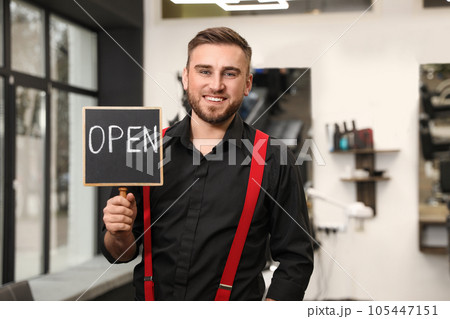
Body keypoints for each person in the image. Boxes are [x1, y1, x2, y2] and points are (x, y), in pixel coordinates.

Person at [102, 27, 314, 301]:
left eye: (230, 73)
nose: (216, 85)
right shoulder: (145, 150)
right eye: (204, 71)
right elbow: (119, 254)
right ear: (186, 78)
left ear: (247, 83)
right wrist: (117, 233)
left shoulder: (275, 159)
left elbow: (297, 259)